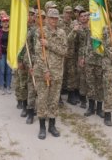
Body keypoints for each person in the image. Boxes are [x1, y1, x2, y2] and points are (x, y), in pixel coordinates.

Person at [34, 8, 67, 140]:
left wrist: (49, 44)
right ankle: (42, 127)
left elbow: (64, 51)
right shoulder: (40, 32)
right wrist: (45, 70)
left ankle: (52, 126)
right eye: (51, 18)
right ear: (46, 18)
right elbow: (37, 53)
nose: (54, 20)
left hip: (57, 72)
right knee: (42, 100)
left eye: (56, 18)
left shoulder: (62, 33)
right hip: (43, 72)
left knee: (54, 100)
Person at [81, 11, 105, 119]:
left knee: (100, 85)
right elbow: (84, 44)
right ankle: (91, 107)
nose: (91, 20)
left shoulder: (103, 29)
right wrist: (82, 57)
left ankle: (99, 108)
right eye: (90, 18)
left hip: (100, 61)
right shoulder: (88, 30)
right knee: (90, 84)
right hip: (89, 61)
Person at [15, 7, 36, 116]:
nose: (30, 17)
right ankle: (24, 105)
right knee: (23, 85)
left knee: (33, 85)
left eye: (32, 15)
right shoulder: (20, 29)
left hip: (33, 61)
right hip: (23, 60)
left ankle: (31, 107)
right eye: (28, 14)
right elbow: (17, 46)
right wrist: (19, 60)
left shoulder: (37, 29)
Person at [26, 9, 45, 125]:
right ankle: (30, 112)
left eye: (43, 17)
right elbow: (28, 49)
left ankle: (42, 111)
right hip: (34, 63)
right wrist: (29, 64)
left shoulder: (47, 31)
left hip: (46, 64)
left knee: (43, 90)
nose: (40, 19)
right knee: (32, 89)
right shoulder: (31, 32)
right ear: (35, 18)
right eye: (38, 17)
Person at [0, 15, 12, 94]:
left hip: (10, 54)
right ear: (1, 23)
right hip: (1, 53)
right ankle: (1, 87)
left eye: (7, 21)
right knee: (2, 70)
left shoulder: (12, 32)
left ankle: (8, 87)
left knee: (9, 71)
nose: (5, 23)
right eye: (4, 21)